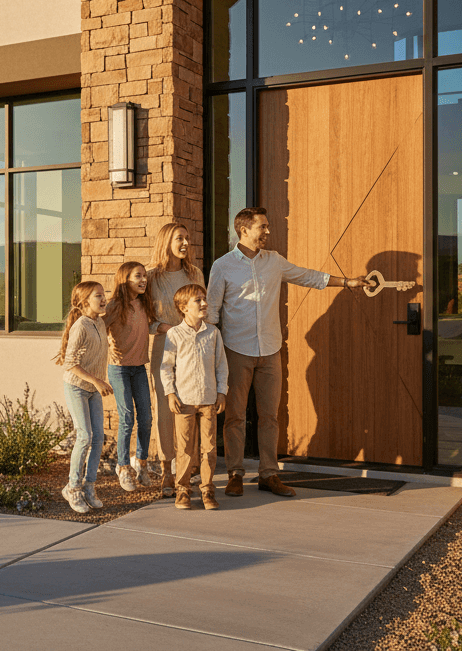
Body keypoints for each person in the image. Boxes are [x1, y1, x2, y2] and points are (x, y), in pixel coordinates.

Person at [207, 207, 370, 498]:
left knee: (270, 416)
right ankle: (235, 474)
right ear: (244, 230)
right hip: (235, 350)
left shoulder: (274, 261)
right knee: (235, 417)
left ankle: (269, 474)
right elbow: (212, 313)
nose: (268, 232)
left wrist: (347, 282)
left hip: (271, 350)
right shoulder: (222, 266)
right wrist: (211, 354)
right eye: (263, 227)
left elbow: (307, 276)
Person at [146, 222, 206, 498]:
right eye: (179, 238)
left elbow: (203, 309)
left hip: (193, 349)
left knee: (191, 406)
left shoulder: (194, 274)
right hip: (164, 348)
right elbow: (144, 318)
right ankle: (167, 470)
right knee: (165, 411)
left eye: (187, 238)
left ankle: (189, 465)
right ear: (166, 242)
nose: (185, 243)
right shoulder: (151, 278)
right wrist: (164, 327)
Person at [161, 283, 227, 510]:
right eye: (198, 300)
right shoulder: (174, 334)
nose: (204, 303)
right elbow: (166, 367)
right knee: (184, 449)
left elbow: (221, 366)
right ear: (184, 307)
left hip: (208, 400)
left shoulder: (213, 333)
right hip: (184, 400)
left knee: (209, 449)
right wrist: (170, 393)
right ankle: (183, 490)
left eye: (204, 298)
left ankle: (207, 490)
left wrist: (221, 392)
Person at [54, 281, 112, 514]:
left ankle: (89, 486)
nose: (104, 298)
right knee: (85, 436)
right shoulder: (80, 326)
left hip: (92, 389)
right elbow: (70, 364)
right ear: (84, 301)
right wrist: (97, 381)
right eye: (98, 295)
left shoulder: (100, 322)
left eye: (103, 294)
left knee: (98, 438)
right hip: (77, 387)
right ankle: (73, 487)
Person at [104, 261, 156, 493]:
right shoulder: (115, 305)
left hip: (139, 368)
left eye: (145, 276)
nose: (143, 280)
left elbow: (153, 326)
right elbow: (97, 328)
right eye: (138, 276)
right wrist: (108, 346)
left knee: (146, 418)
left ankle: (141, 463)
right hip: (119, 369)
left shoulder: (145, 303)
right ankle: (123, 466)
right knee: (127, 418)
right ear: (125, 280)